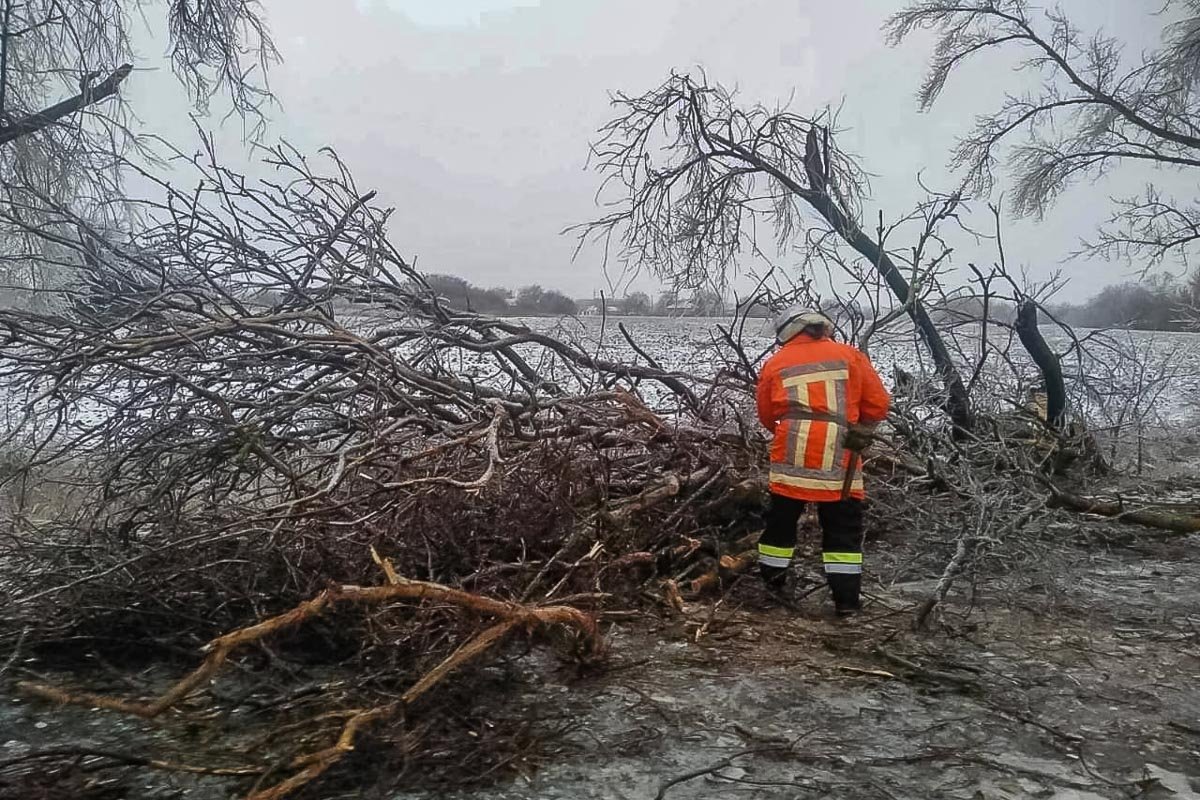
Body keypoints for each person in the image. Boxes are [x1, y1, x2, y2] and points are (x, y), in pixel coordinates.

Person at [755, 305, 891, 617]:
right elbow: (878, 404)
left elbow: (766, 414)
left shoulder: (777, 362)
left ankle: (773, 586)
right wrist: (861, 428)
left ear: (787, 332)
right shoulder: (850, 356)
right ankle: (846, 603)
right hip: (841, 455)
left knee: (780, 523)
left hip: (791, 453)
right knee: (842, 527)